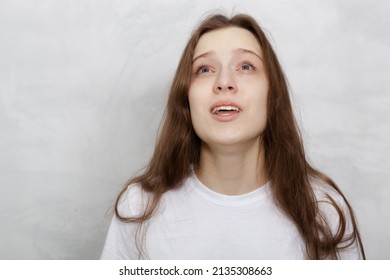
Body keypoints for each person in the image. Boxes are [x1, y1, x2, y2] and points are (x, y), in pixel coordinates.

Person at [100, 13, 365, 260]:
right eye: (204, 69)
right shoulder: (138, 208)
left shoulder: (323, 210)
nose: (224, 81)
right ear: (186, 97)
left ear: (272, 94)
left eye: (246, 66)